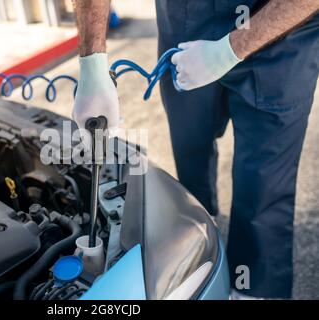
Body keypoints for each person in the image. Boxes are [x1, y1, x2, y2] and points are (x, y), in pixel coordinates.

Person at [71, 0, 319, 299]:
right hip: (187, 21)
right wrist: (92, 65)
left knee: (264, 184)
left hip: (281, 34)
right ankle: (199, 238)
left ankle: (253, 288)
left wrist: (228, 51)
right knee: (190, 154)